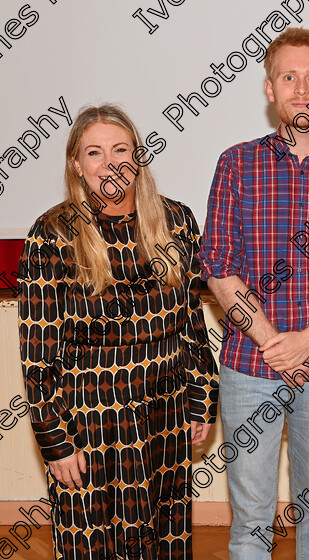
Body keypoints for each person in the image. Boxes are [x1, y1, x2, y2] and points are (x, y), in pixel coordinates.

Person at [199, 27, 309, 560]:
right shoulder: (236, 164)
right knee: (250, 518)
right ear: (270, 89)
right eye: (289, 77)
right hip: (247, 366)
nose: (302, 89)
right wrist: (277, 342)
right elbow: (218, 267)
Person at [17, 104, 218, 559]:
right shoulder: (52, 236)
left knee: (164, 538)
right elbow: (38, 356)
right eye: (95, 152)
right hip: (88, 421)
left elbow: (191, 323)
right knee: (92, 543)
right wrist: (55, 442)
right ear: (76, 164)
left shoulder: (177, 222)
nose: (110, 164)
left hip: (165, 414)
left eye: (121, 149)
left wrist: (202, 399)